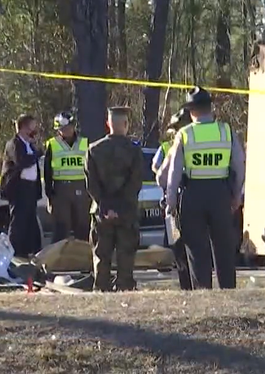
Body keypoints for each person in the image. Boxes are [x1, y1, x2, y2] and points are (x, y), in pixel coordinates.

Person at [163, 88, 246, 290]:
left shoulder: (184, 134)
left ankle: (203, 293)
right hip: (221, 194)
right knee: (224, 248)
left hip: (194, 196)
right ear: (211, 108)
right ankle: (228, 290)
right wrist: (236, 196)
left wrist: (171, 202)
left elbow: (173, 172)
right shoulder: (226, 131)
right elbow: (239, 165)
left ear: (191, 111)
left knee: (197, 249)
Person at [85, 106, 143, 292]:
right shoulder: (134, 151)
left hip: (101, 212)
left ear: (107, 124)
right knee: (126, 254)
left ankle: (101, 288)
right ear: (126, 124)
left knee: (101, 254)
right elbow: (134, 184)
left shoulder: (93, 150)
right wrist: (120, 208)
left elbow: (91, 185)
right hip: (127, 212)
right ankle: (125, 287)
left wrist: (106, 206)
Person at [154, 111, 192, 290]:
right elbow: (157, 170)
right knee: (176, 243)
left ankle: (190, 283)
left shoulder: (189, 144)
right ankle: (185, 282)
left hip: (185, 201)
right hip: (173, 205)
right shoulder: (167, 147)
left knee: (188, 245)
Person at [43, 111, 91, 243]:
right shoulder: (52, 145)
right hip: (60, 190)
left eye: (69, 127)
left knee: (82, 227)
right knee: (61, 228)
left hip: (81, 188)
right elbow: (47, 171)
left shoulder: (84, 143)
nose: (67, 130)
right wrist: (49, 194)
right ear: (58, 129)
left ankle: (82, 258)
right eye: (63, 128)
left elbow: (91, 168)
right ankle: (58, 260)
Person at [1, 115, 44, 258]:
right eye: (31, 127)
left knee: (30, 220)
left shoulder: (29, 145)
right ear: (23, 128)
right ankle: (15, 252)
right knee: (18, 221)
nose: (34, 131)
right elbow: (22, 162)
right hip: (18, 189)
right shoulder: (14, 144)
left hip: (30, 188)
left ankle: (31, 250)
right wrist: (37, 154)